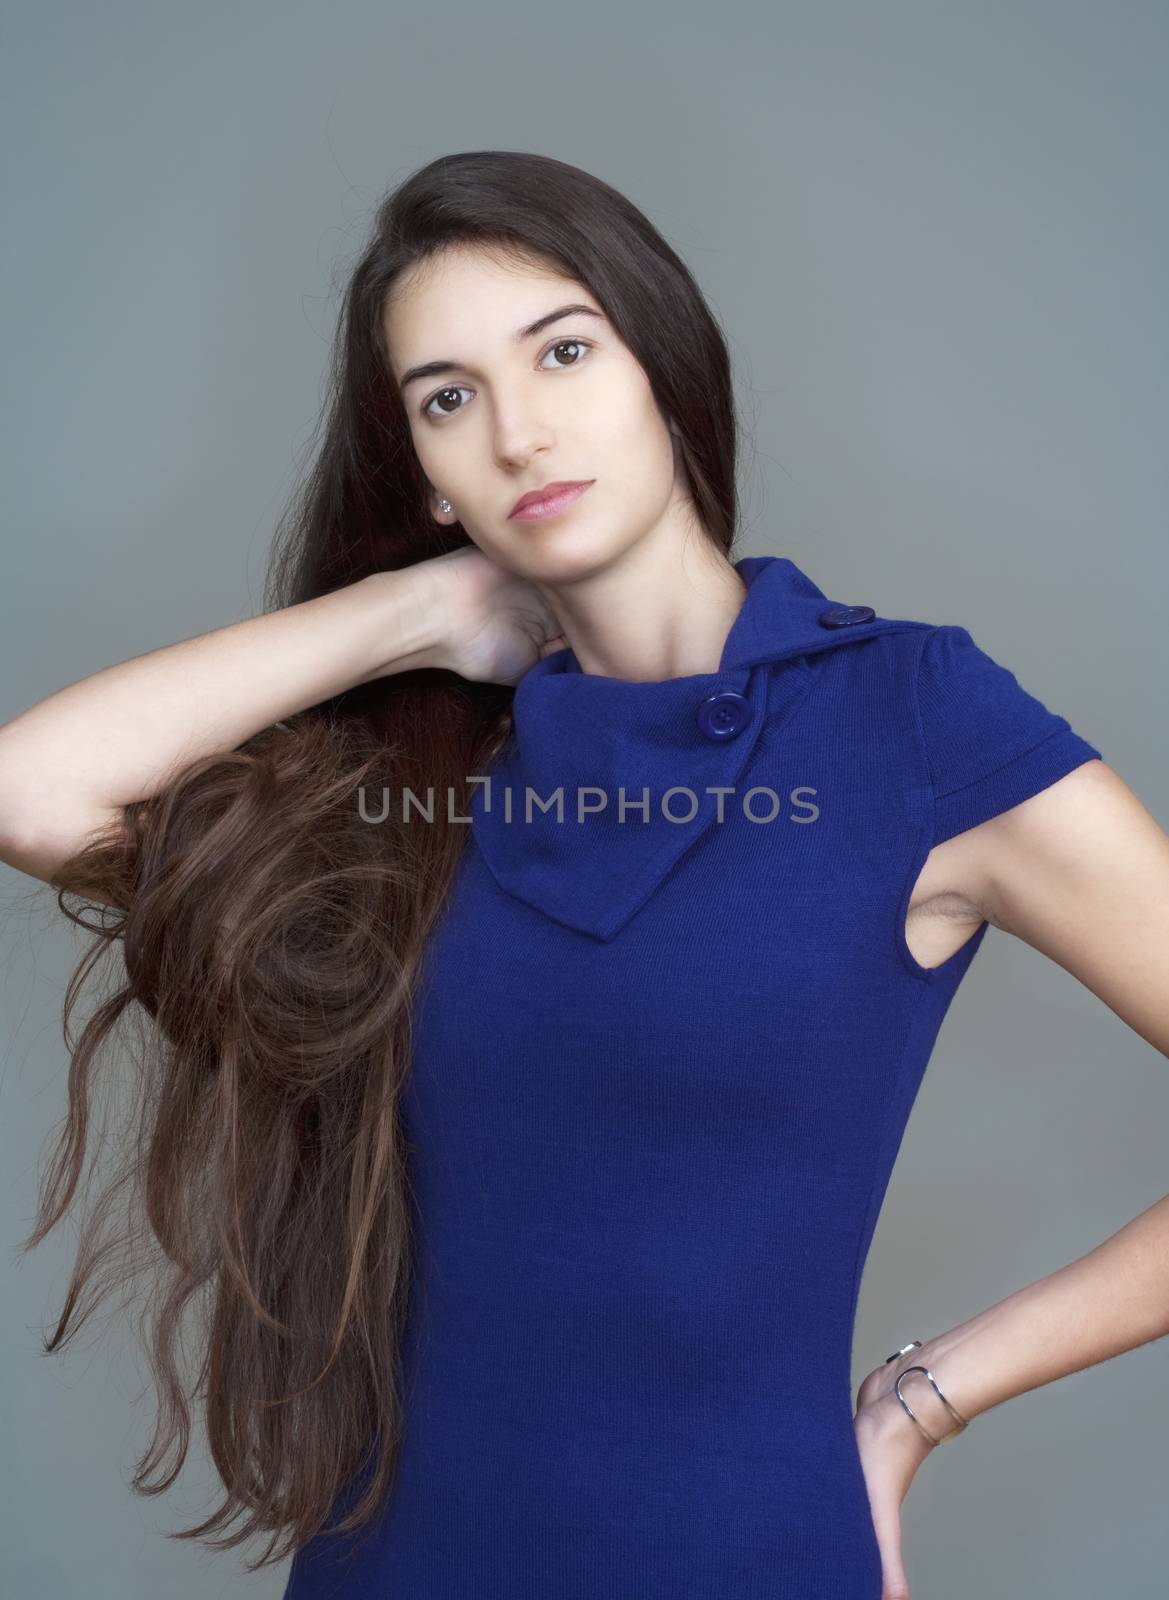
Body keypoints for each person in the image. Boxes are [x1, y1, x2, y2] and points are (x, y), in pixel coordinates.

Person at [1, 149, 1166, 1600]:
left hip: (743, 1557)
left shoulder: (911, 723)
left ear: (660, 366)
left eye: (561, 351)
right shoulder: (412, 787)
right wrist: (411, 610)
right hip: (393, 1563)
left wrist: (921, 1402)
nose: (517, 433)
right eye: (447, 399)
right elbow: (33, 792)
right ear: (422, 475)